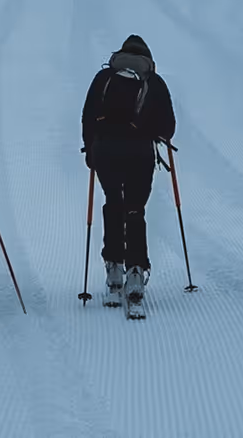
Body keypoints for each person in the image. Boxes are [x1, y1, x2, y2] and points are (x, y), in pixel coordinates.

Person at [80, 35, 175, 310]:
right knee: (135, 209)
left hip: (106, 152)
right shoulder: (153, 82)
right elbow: (168, 128)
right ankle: (135, 272)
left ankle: (113, 269)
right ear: (147, 58)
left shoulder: (103, 78)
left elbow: (88, 115)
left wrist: (90, 149)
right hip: (140, 155)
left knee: (113, 203)